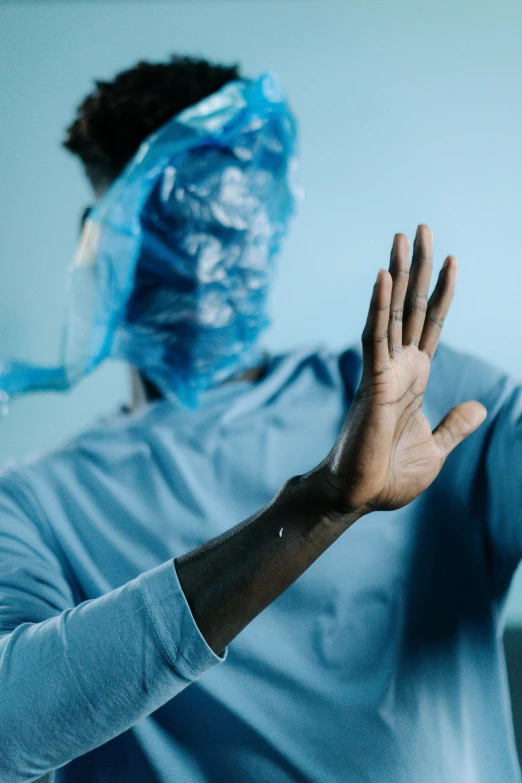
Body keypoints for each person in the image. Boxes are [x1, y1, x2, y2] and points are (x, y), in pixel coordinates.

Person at [0, 56, 518, 783]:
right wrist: (318, 508)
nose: (207, 260)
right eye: (172, 220)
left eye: (232, 222)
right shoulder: (30, 502)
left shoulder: (422, 398)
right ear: (99, 239)